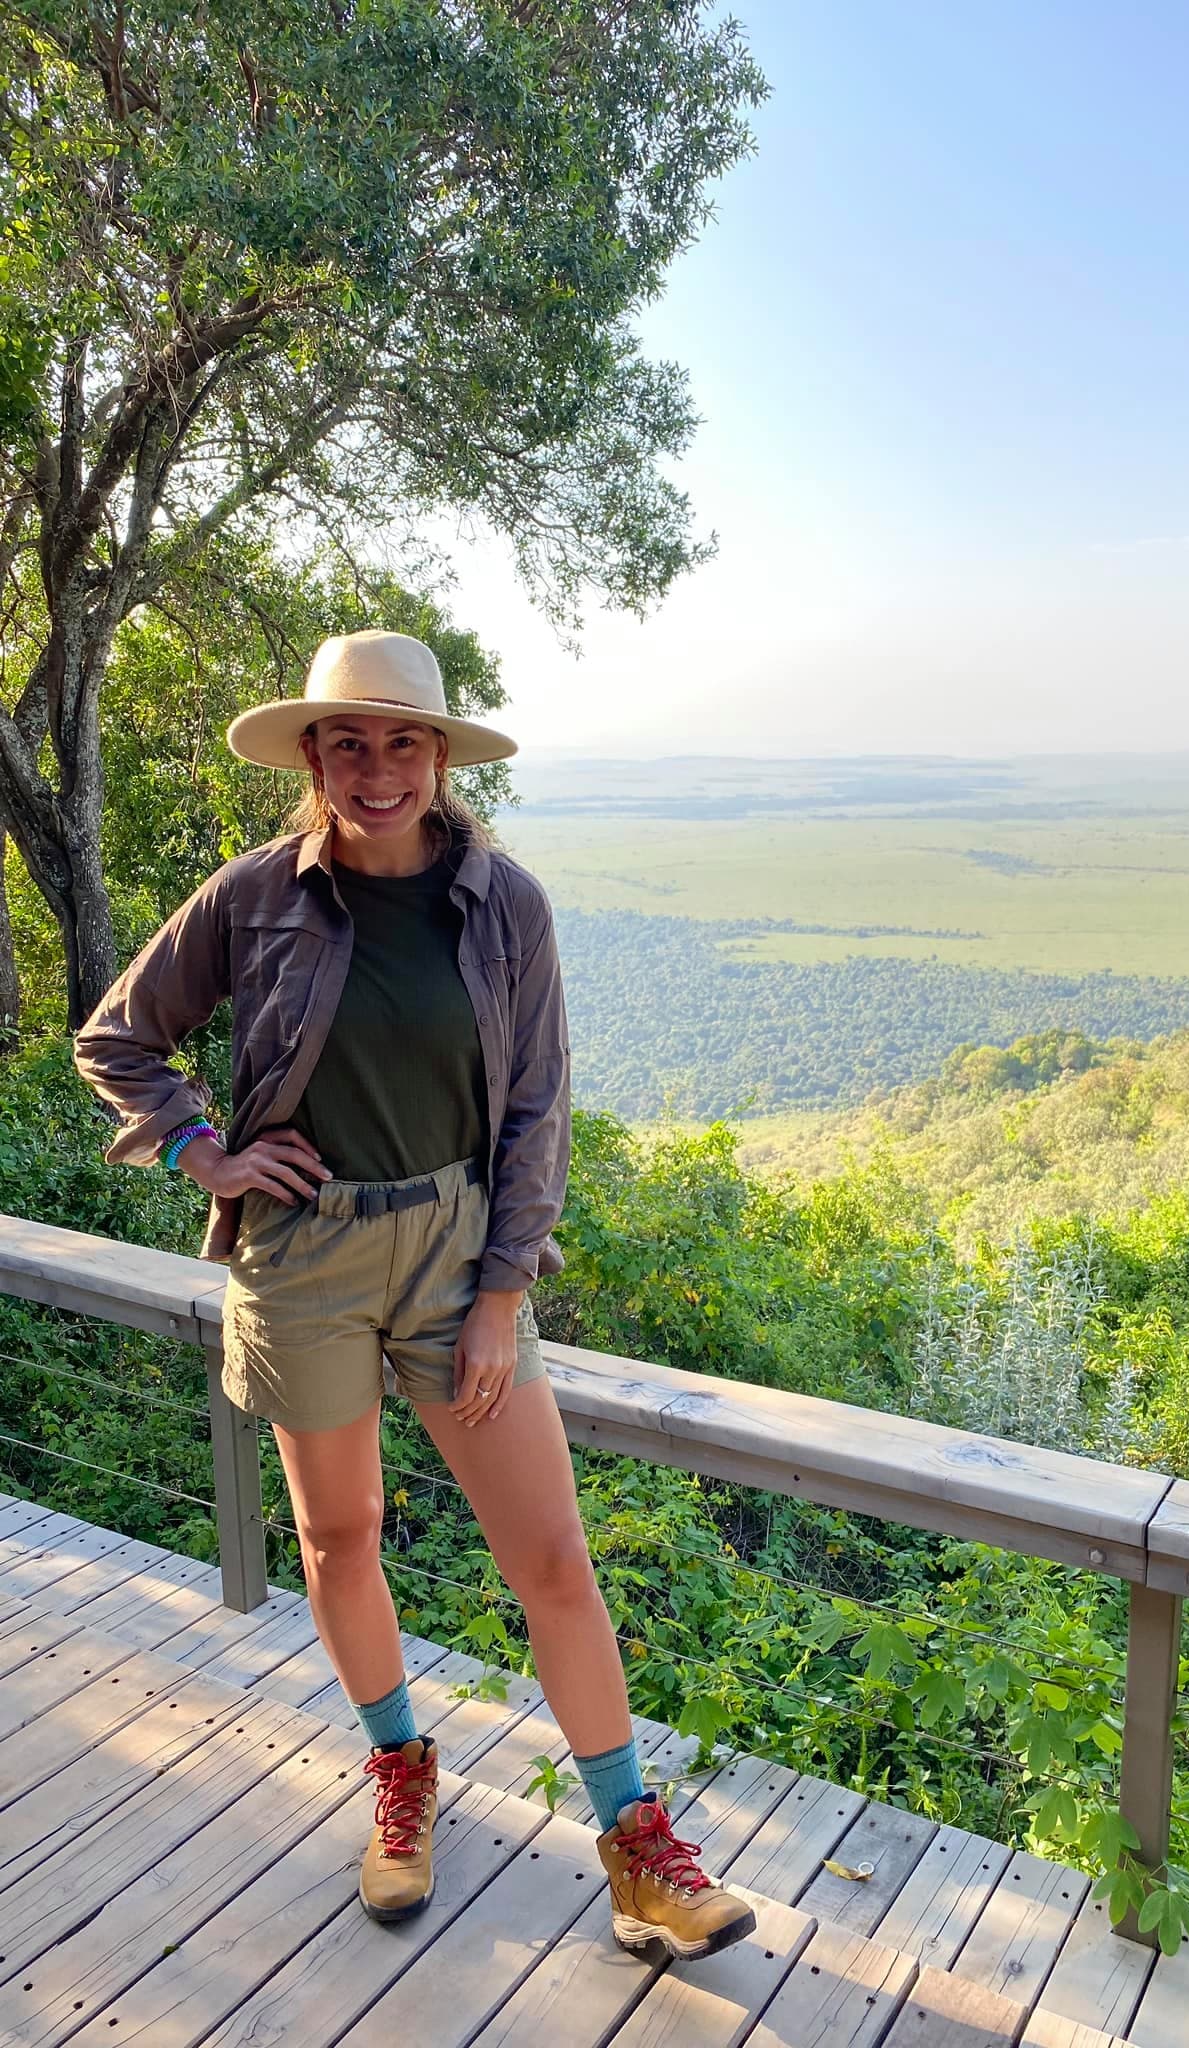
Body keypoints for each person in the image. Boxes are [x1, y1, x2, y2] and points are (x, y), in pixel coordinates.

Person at [74, 630, 755, 1960]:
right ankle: (400, 1768)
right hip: (302, 1253)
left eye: (401, 742)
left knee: (552, 1558)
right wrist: (202, 1147)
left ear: (442, 758)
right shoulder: (253, 896)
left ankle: (638, 1848)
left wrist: (503, 1292)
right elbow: (120, 1037)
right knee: (341, 1539)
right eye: (347, 740)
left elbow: (541, 1106)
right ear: (313, 755)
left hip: (456, 1256)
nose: (374, 768)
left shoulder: (508, 908)